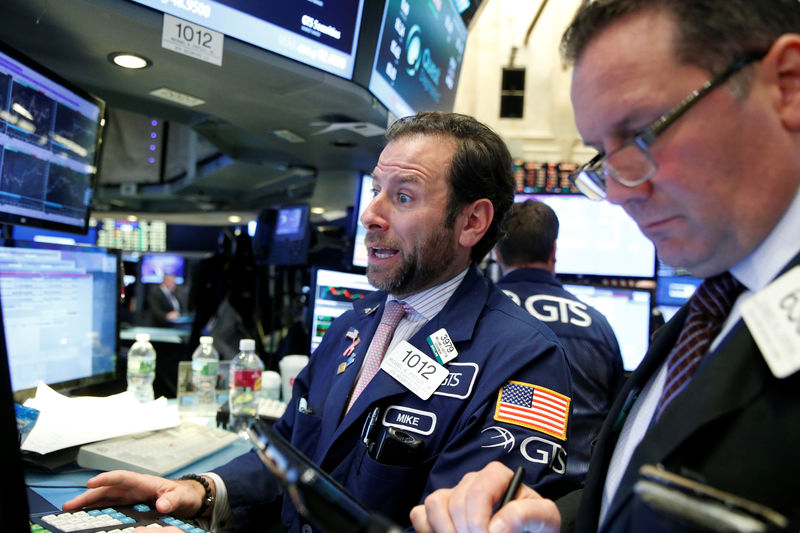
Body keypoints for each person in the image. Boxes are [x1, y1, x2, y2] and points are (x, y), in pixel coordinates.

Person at [63, 112, 577, 532]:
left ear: (472, 222)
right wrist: (201, 491)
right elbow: (289, 453)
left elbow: (458, 520)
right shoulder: (354, 325)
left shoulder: (525, 360)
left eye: (402, 196)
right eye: (377, 189)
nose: (370, 214)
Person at [409, 1, 800, 532]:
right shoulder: (714, 305)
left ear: (788, 85)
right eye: (602, 154)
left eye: (644, 133)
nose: (616, 191)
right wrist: (556, 521)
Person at [494, 199, 624, 483]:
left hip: (491, 493)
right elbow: (617, 418)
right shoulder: (598, 325)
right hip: (577, 498)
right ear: (554, 251)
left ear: (497, 253)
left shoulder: (472, 315)